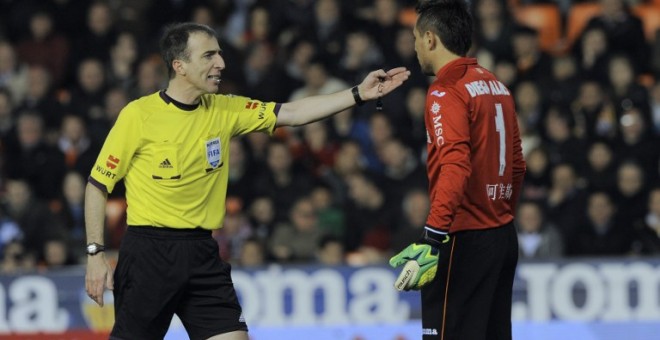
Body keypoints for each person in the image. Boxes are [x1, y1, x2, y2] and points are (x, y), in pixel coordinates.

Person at [83, 22, 409, 340]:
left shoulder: (225, 109)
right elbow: (97, 186)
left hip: (202, 253)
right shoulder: (138, 116)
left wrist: (358, 94)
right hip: (149, 254)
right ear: (179, 65)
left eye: (220, 54)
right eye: (209, 55)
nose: (221, 63)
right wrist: (96, 253)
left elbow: (293, 113)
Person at [388, 1, 526, 339]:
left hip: (462, 237)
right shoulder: (495, 84)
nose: (415, 46)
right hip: (502, 234)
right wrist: (501, 214)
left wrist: (433, 235)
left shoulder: (444, 90)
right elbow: (518, 163)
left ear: (431, 39)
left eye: (416, 37)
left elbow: (454, 165)